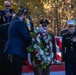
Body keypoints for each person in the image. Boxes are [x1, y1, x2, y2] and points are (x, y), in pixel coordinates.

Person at [3, 6, 32, 75]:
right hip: (17, 51)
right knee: (16, 72)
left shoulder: (14, 21)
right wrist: (34, 38)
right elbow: (26, 37)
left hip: (13, 50)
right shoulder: (19, 23)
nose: (26, 18)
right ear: (23, 15)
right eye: (25, 16)